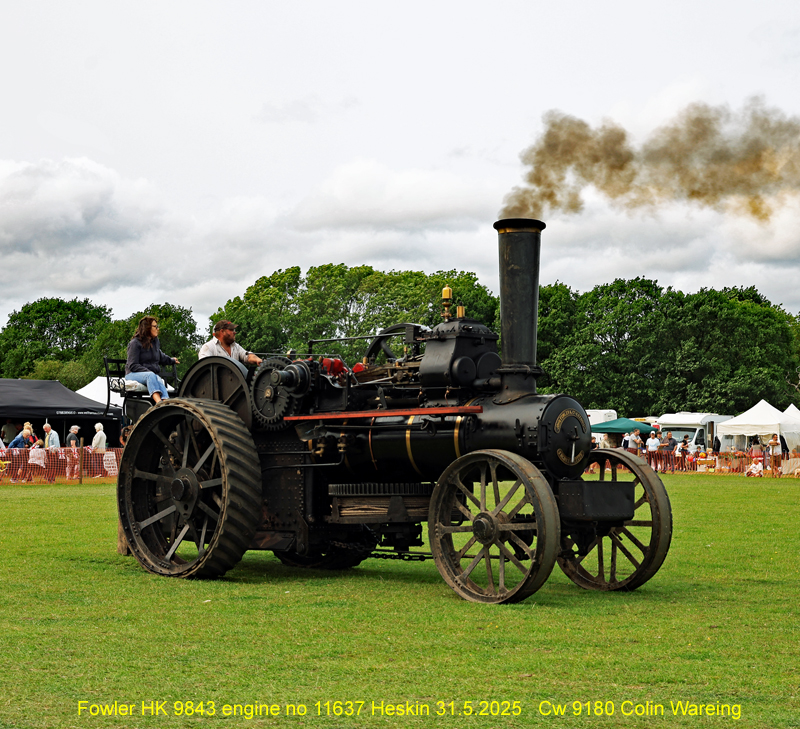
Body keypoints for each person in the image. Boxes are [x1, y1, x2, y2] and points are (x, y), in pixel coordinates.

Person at [125, 316, 180, 403]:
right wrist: (149, 372)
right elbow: (133, 365)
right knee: (151, 375)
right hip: (133, 374)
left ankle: (166, 402)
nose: (158, 329)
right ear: (147, 328)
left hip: (149, 375)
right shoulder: (135, 343)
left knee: (157, 378)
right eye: (155, 326)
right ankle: (159, 403)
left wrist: (172, 360)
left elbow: (160, 356)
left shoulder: (155, 342)